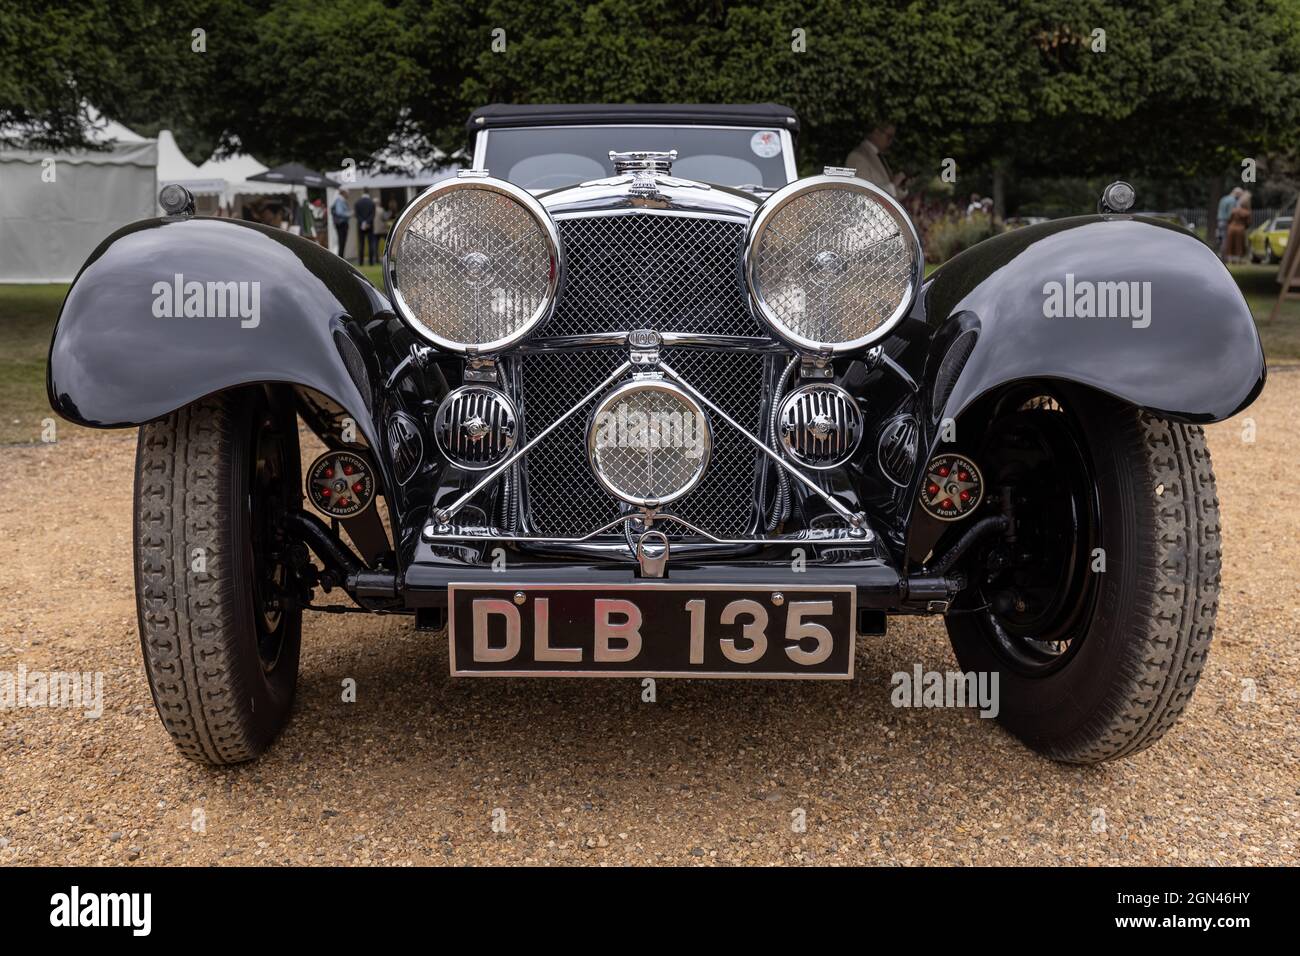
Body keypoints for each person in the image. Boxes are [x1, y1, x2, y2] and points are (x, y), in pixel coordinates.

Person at [845, 124, 906, 197]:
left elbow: (891, 193)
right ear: (876, 132)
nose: (891, 141)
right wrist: (893, 185)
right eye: (889, 136)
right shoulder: (858, 156)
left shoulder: (879, 156)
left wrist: (902, 186)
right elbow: (863, 193)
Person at [1225, 191, 1252, 263]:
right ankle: (1238, 259)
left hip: (1231, 228)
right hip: (1240, 228)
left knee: (1230, 244)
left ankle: (1230, 259)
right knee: (1239, 245)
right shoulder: (1247, 212)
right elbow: (1249, 223)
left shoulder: (1234, 210)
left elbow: (1229, 220)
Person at [1217, 186, 1244, 260]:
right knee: (1226, 240)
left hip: (1219, 221)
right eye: (1240, 195)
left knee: (1221, 239)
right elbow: (1231, 213)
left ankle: (1220, 255)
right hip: (1226, 221)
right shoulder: (1233, 201)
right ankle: (1223, 257)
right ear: (1237, 193)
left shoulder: (1224, 198)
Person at [355, 189, 377, 265]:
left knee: (361, 243)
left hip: (360, 225)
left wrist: (363, 222)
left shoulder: (357, 202)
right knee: (370, 243)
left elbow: (357, 215)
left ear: (362, 192)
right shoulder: (372, 203)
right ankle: (371, 262)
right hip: (370, 225)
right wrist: (367, 222)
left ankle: (361, 262)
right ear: (368, 192)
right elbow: (373, 214)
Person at [331, 190, 352, 260]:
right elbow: (339, 212)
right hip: (341, 224)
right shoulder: (339, 200)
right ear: (344, 193)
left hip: (341, 224)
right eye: (348, 193)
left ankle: (341, 258)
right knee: (341, 242)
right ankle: (340, 258)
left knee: (342, 242)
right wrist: (349, 214)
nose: (349, 194)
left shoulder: (340, 200)